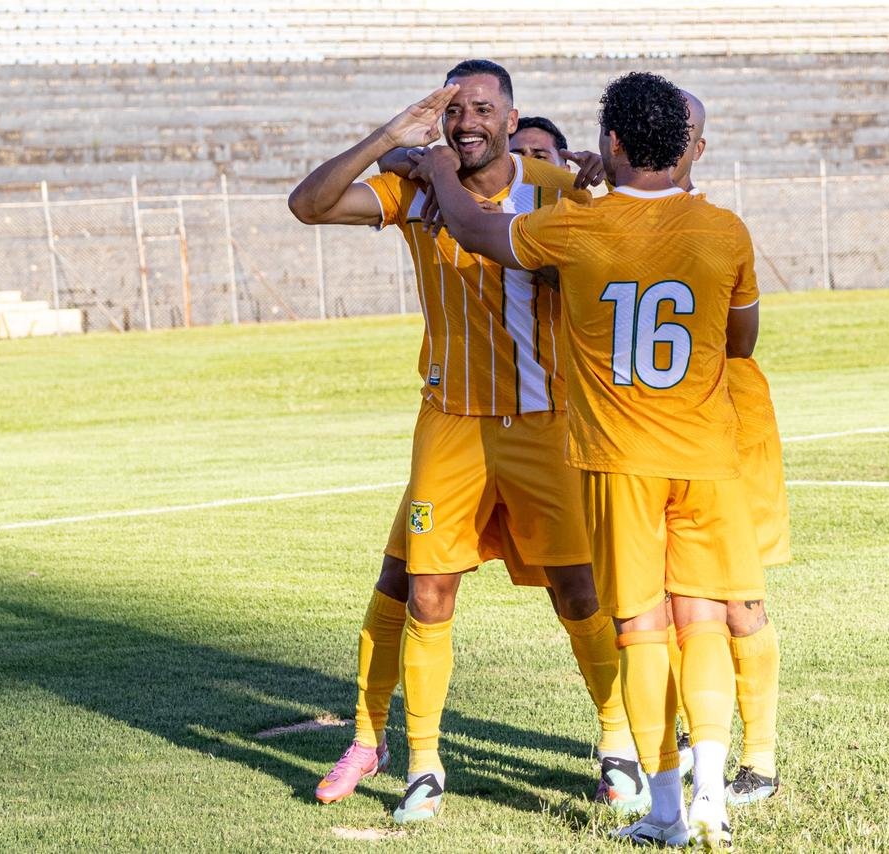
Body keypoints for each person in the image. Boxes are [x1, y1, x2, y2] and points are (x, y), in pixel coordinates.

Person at [412, 70, 762, 848]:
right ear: (683, 146)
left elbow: (474, 232)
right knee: (702, 618)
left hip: (618, 457)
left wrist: (438, 165)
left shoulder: (580, 228)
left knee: (640, 628)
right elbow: (741, 341)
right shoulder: (727, 230)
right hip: (705, 454)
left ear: (608, 143)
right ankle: (714, 795)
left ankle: (666, 811)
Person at [287, 60, 642, 824]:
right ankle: (421, 763)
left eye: (483, 107)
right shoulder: (417, 192)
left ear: (512, 119)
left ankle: (617, 746)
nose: (467, 120)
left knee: (578, 590)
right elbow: (308, 205)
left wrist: (592, 181)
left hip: (544, 426)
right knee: (424, 589)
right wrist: (391, 134)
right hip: (450, 424)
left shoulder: (553, 189)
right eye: (454, 109)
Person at [670, 89, 789, 806]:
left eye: (681, 132)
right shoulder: (608, 219)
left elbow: (742, 340)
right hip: (647, 437)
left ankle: (760, 759)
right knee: (664, 602)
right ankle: (689, 739)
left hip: (729, 429)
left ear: (697, 148)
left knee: (737, 601)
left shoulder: (717, 228)